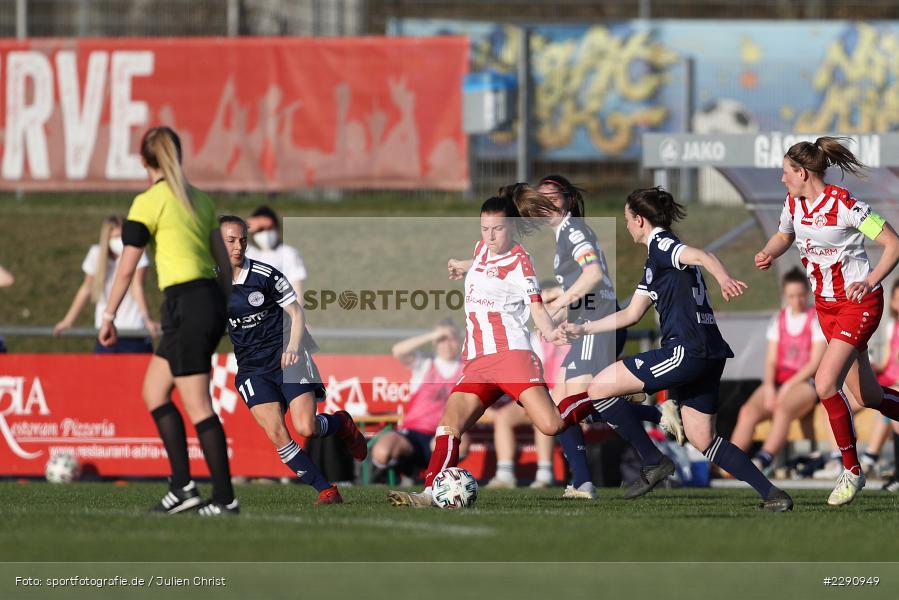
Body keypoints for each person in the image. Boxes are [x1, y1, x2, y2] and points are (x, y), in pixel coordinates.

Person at [558, 187, 792, 512]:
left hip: (686, 351)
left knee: (598, 388)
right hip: (708, 354)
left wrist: (723, 278)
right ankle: (772, 494)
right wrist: (582, 328)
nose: (626, 226)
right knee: (702, 438)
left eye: (627, 219)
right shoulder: (655, 259)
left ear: (640, 220)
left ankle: (654, 460)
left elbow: (700, 255)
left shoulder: (663, 244)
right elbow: (631, 314)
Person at [386, 183, 593, 508]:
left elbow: (536, 307)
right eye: (485, 229)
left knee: (551, 424)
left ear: (511, 227)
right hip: (477, 362)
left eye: (497, 229)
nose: (490, 235)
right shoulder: (482, 249)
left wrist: (551, 333)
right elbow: (483, 262)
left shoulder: (522, 262)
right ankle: (428, 493)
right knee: (448, 425)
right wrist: (462, 264)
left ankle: (601, 398)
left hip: (512, 358)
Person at [99, 126, 237, 516]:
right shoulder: (200, 200)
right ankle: (183, 487)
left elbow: (126, 269)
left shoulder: (148, 201)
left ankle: (225, 498)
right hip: (203, 303)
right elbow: (223, 266)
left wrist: (108, 316)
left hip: (186, 304)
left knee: (198, 405)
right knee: (154, 392)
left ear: (144, 160)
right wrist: (231, 310)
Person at [754, 136, 899, 505]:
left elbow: (893, 244)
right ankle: (853, 467)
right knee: (867, 396)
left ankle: (851, 470)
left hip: (860, 304)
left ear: (802, 172)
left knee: (824, 383)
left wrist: (869, 279)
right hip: (827, 308)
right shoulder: (794, 204)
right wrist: (768, 252)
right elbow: (784, 235)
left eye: (786, 172)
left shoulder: (845, 206)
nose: (782, 179)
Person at [539, 174, 682, 499]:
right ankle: (658, 418)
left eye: (554, 196)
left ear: (568, 199)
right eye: (540, 197)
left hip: (599, 321)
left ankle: (593, 478)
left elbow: (594, 276)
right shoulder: (565, 234)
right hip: (592, 319)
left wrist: (558, 303)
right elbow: (583, 285)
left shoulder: (573, 229)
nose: (546, 202)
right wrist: (558, 309)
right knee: (570, 401)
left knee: (567, 404)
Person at [219, 216, 368, 505]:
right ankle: (327, 490)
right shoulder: (212, 283)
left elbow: (297, 313)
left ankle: (340, 423)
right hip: (252, 369)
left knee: (306, 427)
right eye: (231, 240)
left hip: (289, 356)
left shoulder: (265, 275)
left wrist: (293, 346)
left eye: (242, 240)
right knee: (277, 433)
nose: (239, 246)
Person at [730, 267, 825, 474]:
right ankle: (729, 464)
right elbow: (771, 361)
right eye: (792, 296)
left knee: (783, 409)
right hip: (780, 381)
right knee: (748, 411)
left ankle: (763, 460)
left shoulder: (816, 319)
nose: (797, 300)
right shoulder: (779, 319)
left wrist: (788, 386)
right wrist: (770, 386)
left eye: (801, 295)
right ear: (785, 296)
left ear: (807, 294)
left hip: (805, 383)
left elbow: (814, 363)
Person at [485, 284, 568, 491]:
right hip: (543, 394)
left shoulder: (574, 329)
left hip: (567, 395)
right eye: (545, 303)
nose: (549, 308)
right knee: (505, 417)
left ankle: (545, 473)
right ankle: (505, 474)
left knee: (542, 414)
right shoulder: (532, 338)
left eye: (553, 302)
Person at [370, 320, 464, 482]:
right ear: (435, 342)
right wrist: (434, 334)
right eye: (442, 339)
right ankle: (406, 473)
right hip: (412, 434)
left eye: (452, 338)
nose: (447, 344)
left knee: (461, 439)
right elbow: (398, 350)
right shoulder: (426, 364)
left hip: (443, 432)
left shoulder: (465, 368)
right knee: (382, 451)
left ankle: (440, 481)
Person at [54, 216, 157, 353]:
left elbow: (137, 287)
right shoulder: (96, 255)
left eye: (122, 236)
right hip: (106, 330)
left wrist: (147, 319)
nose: (119, 241)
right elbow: (86, 289)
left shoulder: (137, 254)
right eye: (115, 236)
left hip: (133, 330)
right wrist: (68, 320)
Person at [867, 280, 899, 491]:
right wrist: (870, 366)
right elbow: (888, 362)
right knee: (842, 395)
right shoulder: (892, 326)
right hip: (889, 380)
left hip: (896, 384)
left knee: (892, 407)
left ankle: (870, 459)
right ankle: (840, 461)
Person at [246, 205, 307, 298]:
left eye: (269, 228)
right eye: (260, 229)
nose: (265, 233)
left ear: (277, 228)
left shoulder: (289, 253)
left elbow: (297, 293)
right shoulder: (248, 254)